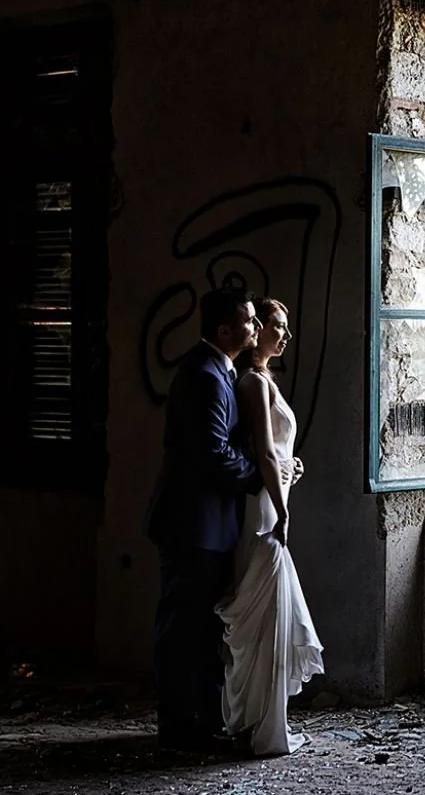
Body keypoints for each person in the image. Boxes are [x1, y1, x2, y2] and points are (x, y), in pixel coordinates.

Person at [145, 287, 294, 752]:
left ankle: (202, 720)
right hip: (193, 524)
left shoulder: (220, 372)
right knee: (184, 626)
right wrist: (258, 478)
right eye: (250, 322)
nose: (256, 329)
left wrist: (282, 466)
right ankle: (179, 726)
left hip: (208, 524)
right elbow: (213, 452)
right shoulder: (208, 376)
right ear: (225, 330)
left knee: (203, 626)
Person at [216, 296, 324, 756]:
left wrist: (290, 466)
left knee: (272, 612)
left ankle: (262, 718)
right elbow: (261, 453)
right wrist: (282, 509)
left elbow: (275, 454)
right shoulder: (254, 383)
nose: (284, 334)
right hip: (264, 508)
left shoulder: (266, 382)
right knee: (266, 612)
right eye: (276, 326)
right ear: (256, 332)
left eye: (284, 326)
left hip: (272, 495)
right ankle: (258, 722)